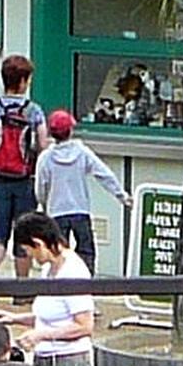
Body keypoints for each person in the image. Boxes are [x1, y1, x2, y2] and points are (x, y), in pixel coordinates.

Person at [11, 211, 100, 366]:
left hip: (68, 362)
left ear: (39, 244)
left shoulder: (73, 271)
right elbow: (50, 315)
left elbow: (84, 325)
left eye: (30, 251)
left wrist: (41, 334)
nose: (32, 258)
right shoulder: (50, 268)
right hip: (47, 359)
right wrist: (15, 319)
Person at [32, 109, 130, 271]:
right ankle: (86, 282)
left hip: (57, 211)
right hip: (80, 209)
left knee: (58, 253)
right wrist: (121, 195)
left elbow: (40, 187)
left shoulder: (46, 158)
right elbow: (104, 173)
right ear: (70, 130)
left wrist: (44, 205)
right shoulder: (82, 152)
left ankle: (60, 284)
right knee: (86, 250)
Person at [0, 55, 46, 248]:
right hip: (24, 179)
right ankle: (22, 278)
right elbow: (42, 145)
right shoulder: (33, 111)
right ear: (23, 81)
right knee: (24, 233)